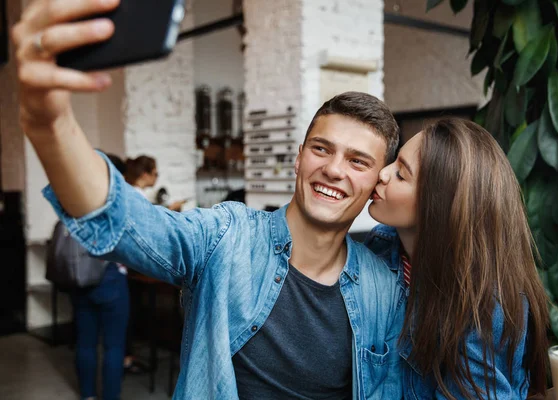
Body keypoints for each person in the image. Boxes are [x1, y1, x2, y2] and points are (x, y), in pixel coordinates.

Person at [12, 2, 404, 398]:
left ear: (378, 181)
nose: (335, 169)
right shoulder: (228, 237)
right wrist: (49, 124)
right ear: (299, 157)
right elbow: (126, 223)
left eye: (358, 161)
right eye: (322, 149)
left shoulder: (382, 288)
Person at [365, 118, 549, 399]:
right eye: (395, 162)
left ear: (439, 205)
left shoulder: (483, 303)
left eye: (402, 175)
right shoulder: (381, 244)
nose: (383, 173)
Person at [70, 153, 129, 400]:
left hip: (80, 278)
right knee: (114, 346)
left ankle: (87, 396)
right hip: (111, 278)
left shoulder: (72, 197)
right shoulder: (117, 202)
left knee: (85, 343)